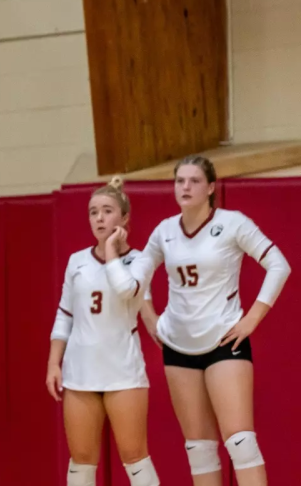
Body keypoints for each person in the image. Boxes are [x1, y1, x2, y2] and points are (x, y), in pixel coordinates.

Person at [113, 156, 290, 486]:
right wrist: (150, 317)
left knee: (240, 442)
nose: (185, 187)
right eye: (180, 180)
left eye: (194, 181)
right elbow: (139, 274)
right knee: (199, 448)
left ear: (210, 187)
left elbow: (279, 265)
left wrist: (252, 318)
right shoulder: (164, 231)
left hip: (224, 341)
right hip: (178, 347)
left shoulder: (233, 223)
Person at [46, 177, 159, 486]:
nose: (98, 218)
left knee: (134, 455)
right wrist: (54, 363)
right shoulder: (76, 262)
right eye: (93, 212)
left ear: (124, 219)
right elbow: (64, 313)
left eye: (107, 211)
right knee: (81, 461)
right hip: (80, 372)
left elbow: (126, 290)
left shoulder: (141, 260)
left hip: (123, 371)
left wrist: (111, 250)